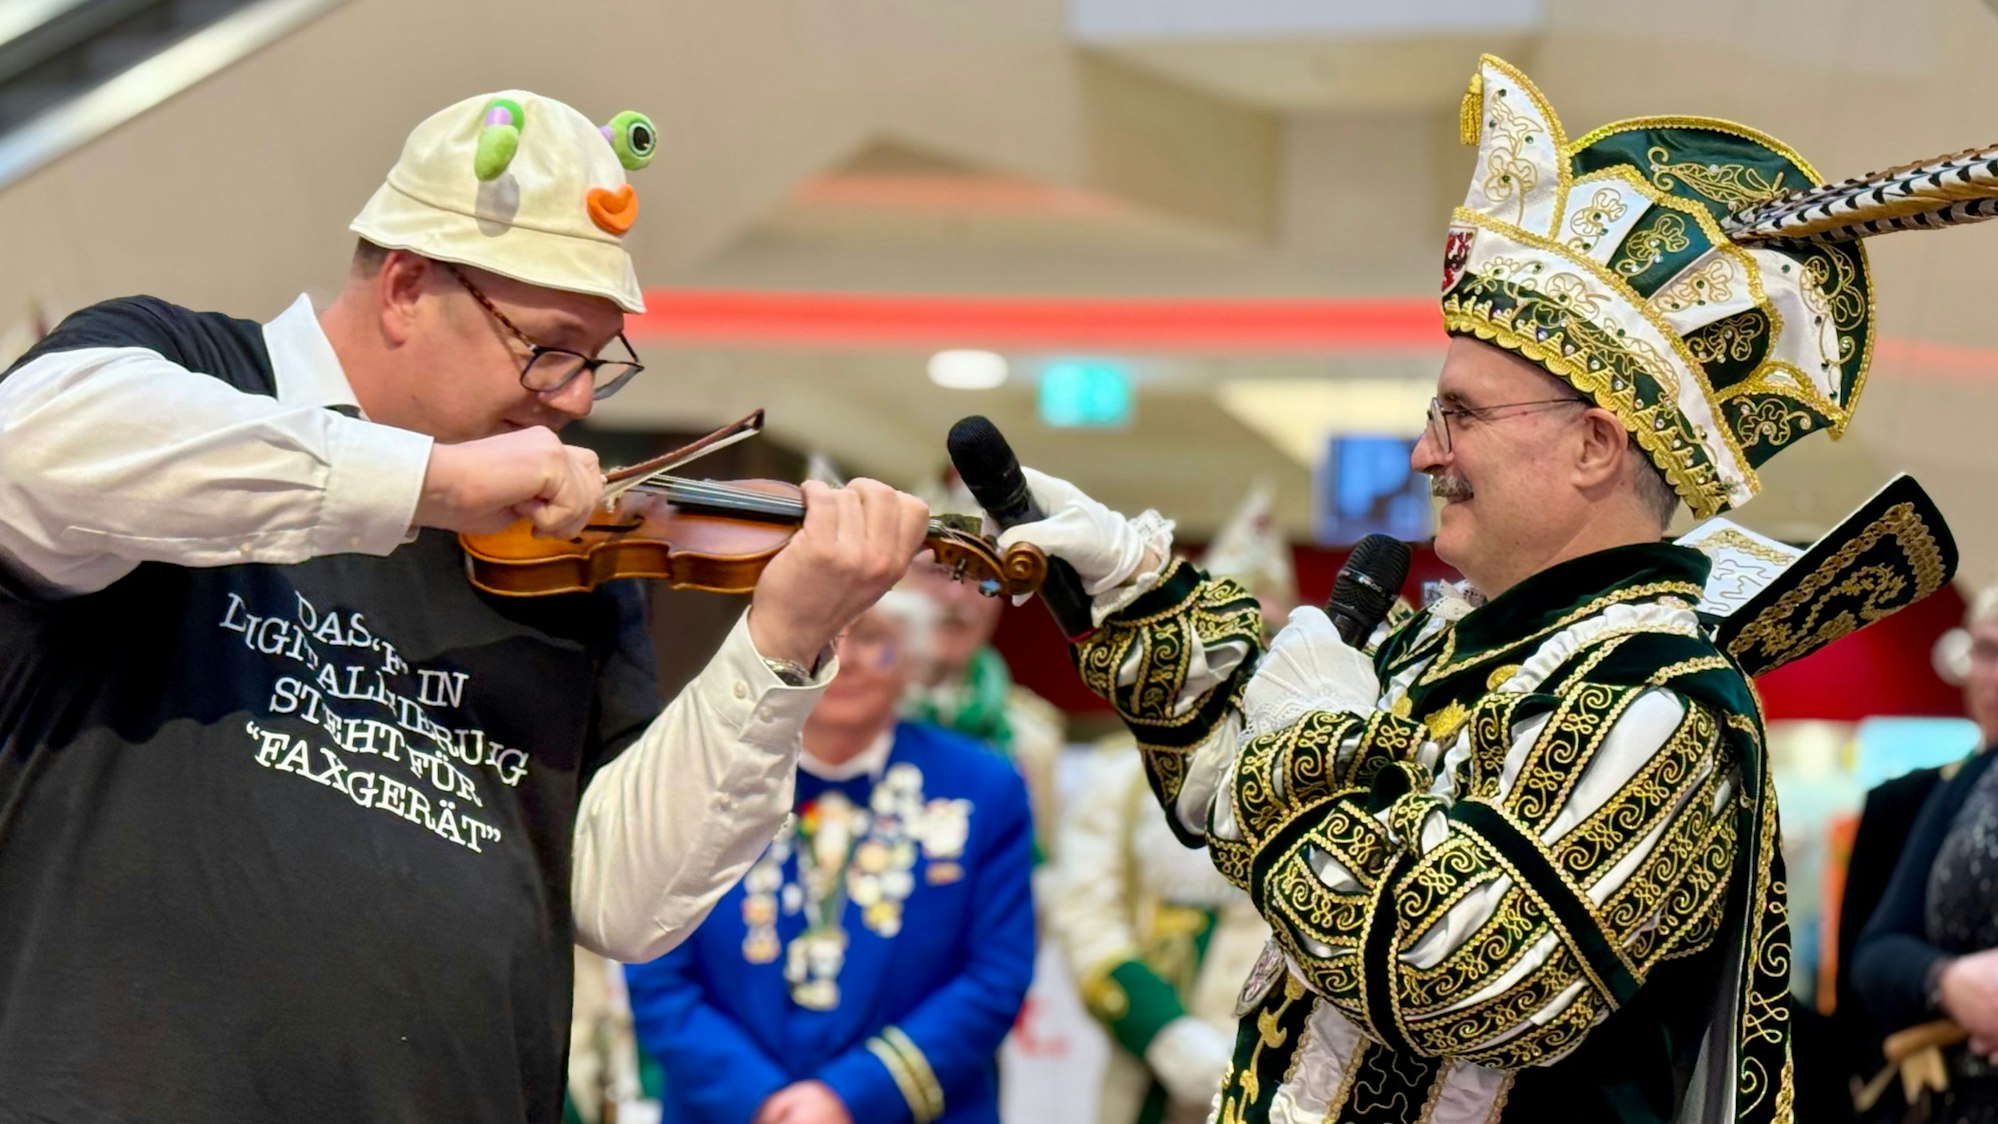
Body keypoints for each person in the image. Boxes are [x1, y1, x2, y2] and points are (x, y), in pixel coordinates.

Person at [982, 54, 1981, 1124]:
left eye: (1459, 413)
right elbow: (1231, 798)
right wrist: (1133, 587)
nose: (1423, 452)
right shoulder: (1452, 647)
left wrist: (1315, 736)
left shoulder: (1663, 705)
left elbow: (1442, 971)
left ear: (1596, 446)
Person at [0, 90, 928, 1122]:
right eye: (547, 346)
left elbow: (621, 894)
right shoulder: (192, 369)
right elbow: (27, 451)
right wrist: (430, 480)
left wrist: (782, 643)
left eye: (597, 359)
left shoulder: (557, 554)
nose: (575, 398)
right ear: (405, 285)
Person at [624, 592, 1037, 1124]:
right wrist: (765, 1102)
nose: (846, 658)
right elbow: (655, 967)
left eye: (872, 637)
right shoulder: (702, 780)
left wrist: (851, 1097)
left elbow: (995, 976)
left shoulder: (984, 788)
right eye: (822, 635)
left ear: (911, 658)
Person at [1047, 482, 1289, 1124]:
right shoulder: (1120, 774)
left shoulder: (1315, 770)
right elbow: (1086, 911)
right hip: (1145, 1075)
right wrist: (1161, 1033)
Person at [1853, 587, 1998, 1120]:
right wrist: (1949, 982)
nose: (1996, 678)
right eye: (1987, 653)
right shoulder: (1963, 785)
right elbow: (1874, 952)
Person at [902, 471, 1068, 858]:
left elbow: (1038, 878)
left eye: (982, 577)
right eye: (935, 573)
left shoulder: (1033, 737)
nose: (958, 600)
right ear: (892, 579)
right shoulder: (842, 709)